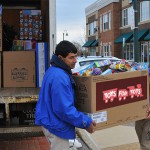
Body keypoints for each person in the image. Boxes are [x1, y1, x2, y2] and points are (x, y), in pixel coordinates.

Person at [35, 40, 96, 150]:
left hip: (51, 120)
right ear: (60, 57)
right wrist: (86, 122)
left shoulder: (54, 70)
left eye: (76, 57)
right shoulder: (60, 77)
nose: (75, 61)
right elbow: (64, 110)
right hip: (57, 126)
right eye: (71, 57)